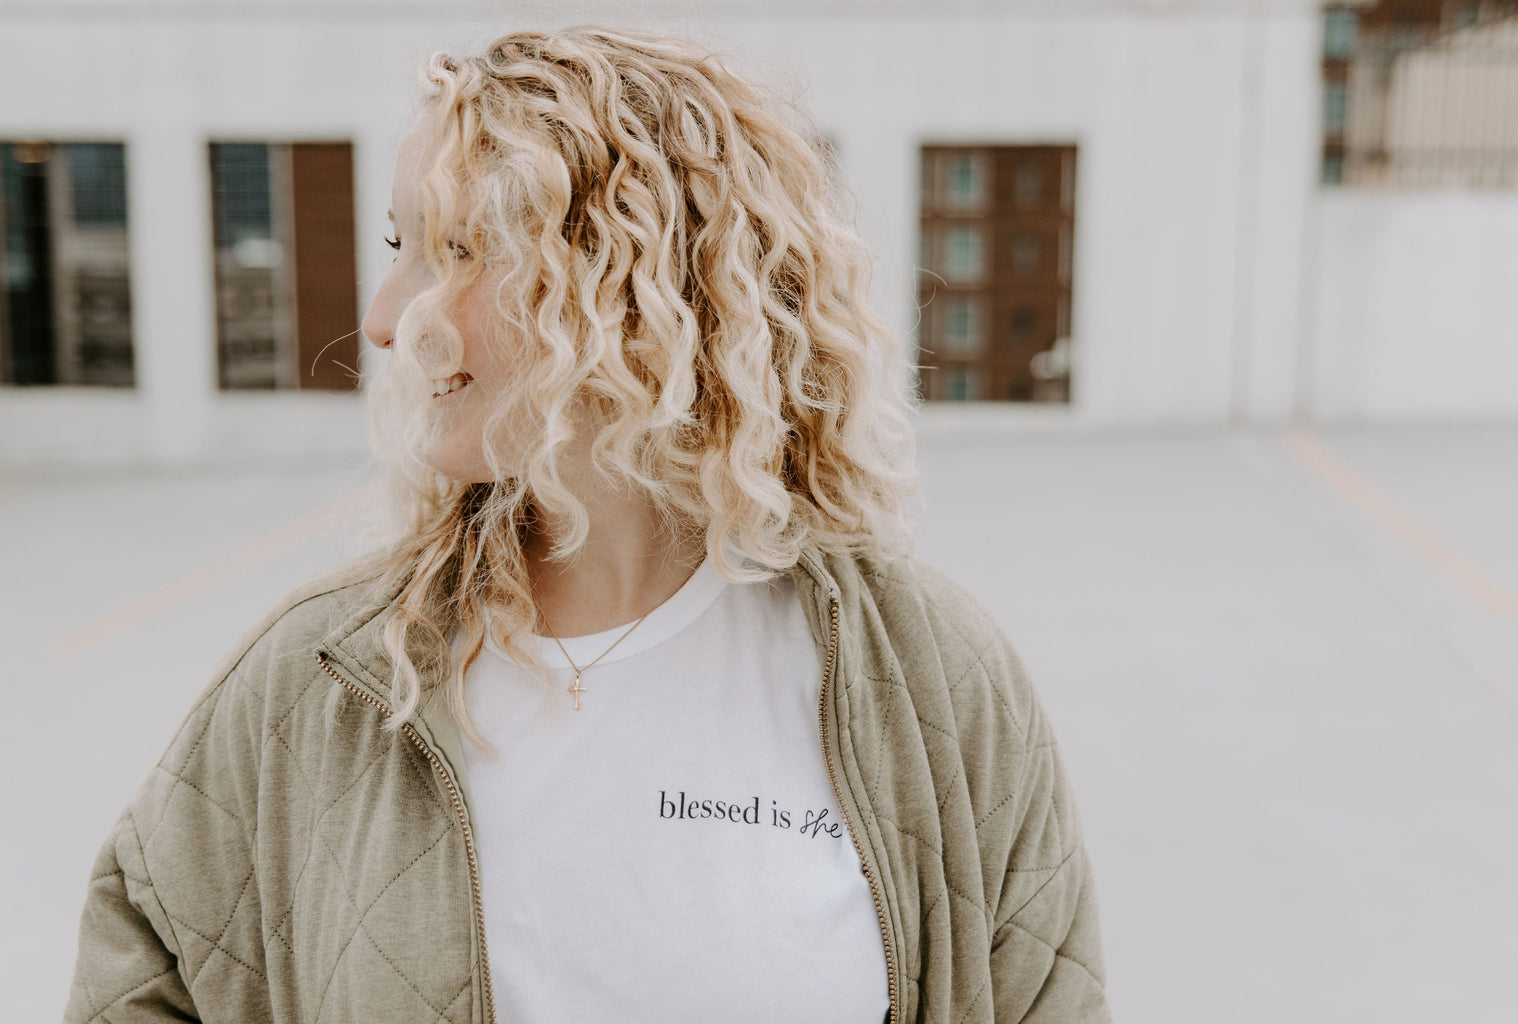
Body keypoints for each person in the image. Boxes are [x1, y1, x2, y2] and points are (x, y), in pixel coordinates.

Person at [65, 27, 1109, 1024]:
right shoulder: (319, 684)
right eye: (401, 246)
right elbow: (139, 976)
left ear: (628, 292)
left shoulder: (929, 681)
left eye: (455, 250)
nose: (385, 316)